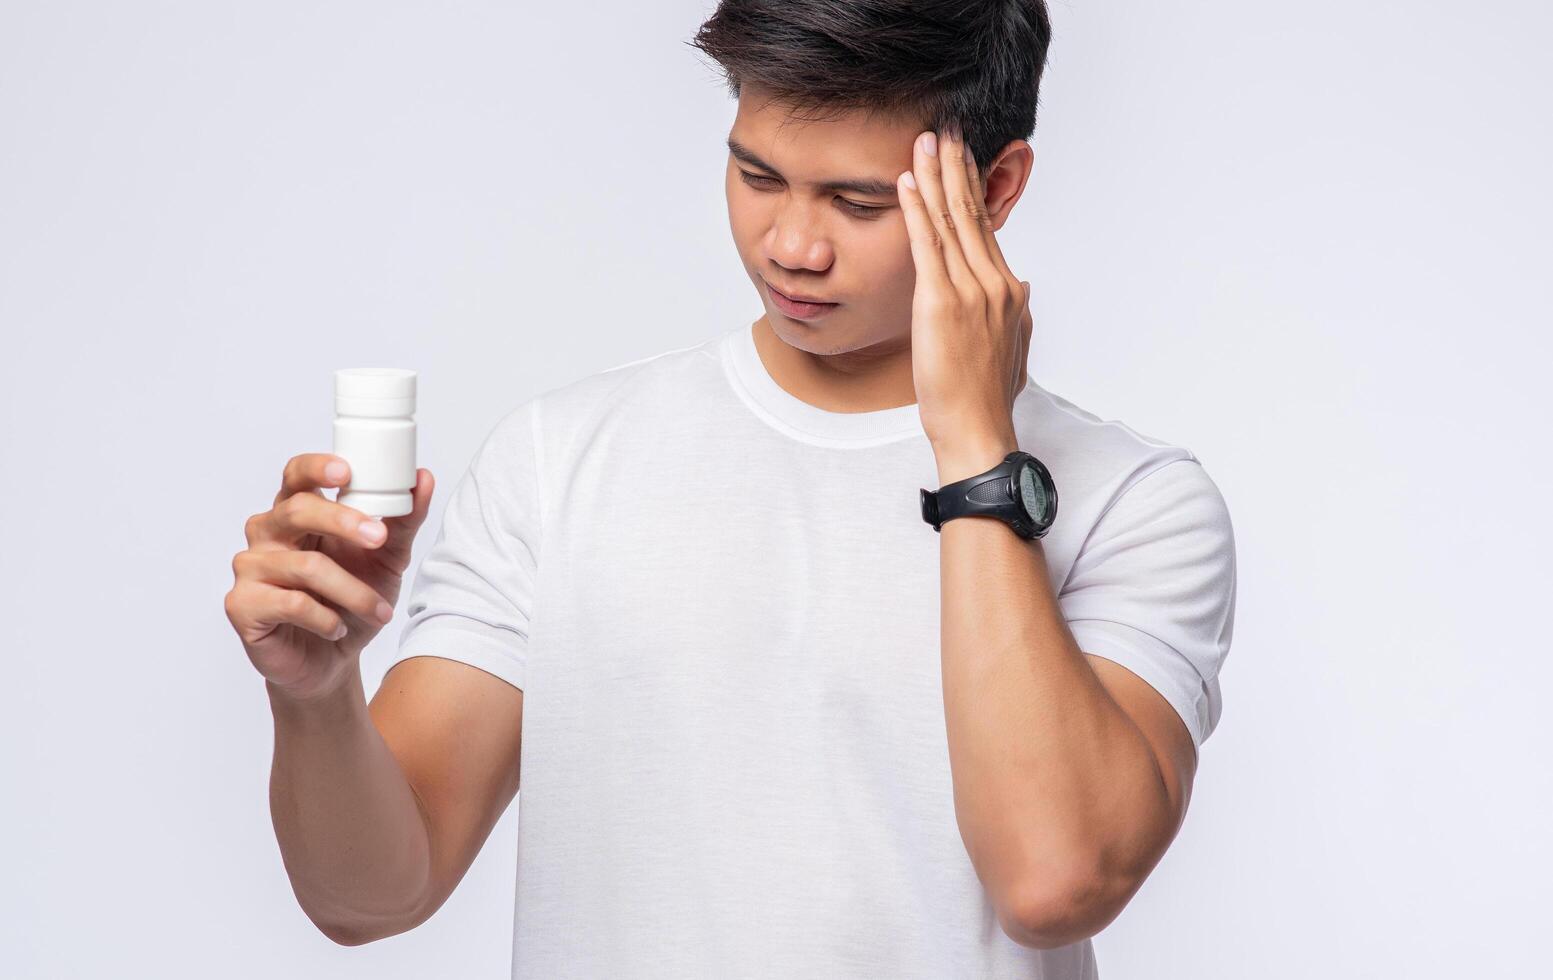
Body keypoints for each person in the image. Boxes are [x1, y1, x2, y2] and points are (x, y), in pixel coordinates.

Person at [224, 2, 1237, 976]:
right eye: (756, 175)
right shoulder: (559, 459)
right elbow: (366, 897)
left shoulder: (1132, 502)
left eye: (858, 201)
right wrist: (314, 697)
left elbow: (1053, 877)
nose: (791, 246)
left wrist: (974, 448)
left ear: (995, 188)